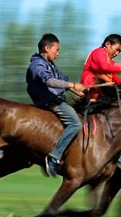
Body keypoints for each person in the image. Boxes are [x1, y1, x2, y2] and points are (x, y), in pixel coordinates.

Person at [26, 33, 86, 177]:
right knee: (75, 124)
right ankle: (54, 157)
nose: (58, 53)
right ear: (47, 48)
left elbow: (62, 80)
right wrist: (71, 84)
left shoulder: (50, 64)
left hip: (55, 99)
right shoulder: (37, 64)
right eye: (56, 49)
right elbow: (50, 81)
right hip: (50, 101)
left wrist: (82, 92)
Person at [80, 34, 121, 175]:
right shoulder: (98, 53)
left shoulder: (106, 58)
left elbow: (116, 81)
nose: (117, 53)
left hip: (100, 97)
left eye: (120, 52)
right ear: (107, 44)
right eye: (117, 49)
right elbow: (106, 66)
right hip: (93, 97)